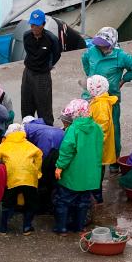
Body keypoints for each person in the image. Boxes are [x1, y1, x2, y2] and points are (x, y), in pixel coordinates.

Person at [80, 27, 132, 158]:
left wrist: (124, 80)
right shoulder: (91, 51)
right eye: (98, 43)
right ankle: (91, 155)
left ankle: (114, 160)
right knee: (88, 126)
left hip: (110, 97)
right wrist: (90, 77)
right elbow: (84, 60)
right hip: (90, 97)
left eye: (103, 44)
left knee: (112, 129)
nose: (100, 46)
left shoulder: (121, 56)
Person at [53, 99, 104, 234]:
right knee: (83, 201)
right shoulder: (97, 128)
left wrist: (59, 166)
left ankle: (61, 228)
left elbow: (66, 150)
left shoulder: (73, 129)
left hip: (73, 175)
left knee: (64, 201)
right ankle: (79, 227)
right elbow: (99, 150)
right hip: (90, 176)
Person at [0, 122, 42, 234]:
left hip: (11, 179)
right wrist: (37, 173)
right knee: (31, 203)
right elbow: (39, 155)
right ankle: (26, 227)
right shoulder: (30, 145)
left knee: (6, 204)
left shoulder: (3, 146)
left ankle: (3, 228)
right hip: (29, 178)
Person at [21, 9, 62, 124]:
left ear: (43, 25)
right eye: (32, 25)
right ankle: (27, 127)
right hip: (28, 72)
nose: (34, 28)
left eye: (37, 25)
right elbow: (28, 51)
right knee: (26, 103)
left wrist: (48, 65)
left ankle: (47, 129)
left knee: (44, 106)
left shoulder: (51, 39)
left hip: (42, 75)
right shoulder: (26, 36)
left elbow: (57, 54)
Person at [86, 74, 118, 202]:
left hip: (98, 144)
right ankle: (96, 193)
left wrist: (95, 142)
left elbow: (102, 126)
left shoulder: (100, 105)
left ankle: (96, 195)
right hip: (99, 143)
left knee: (97, 170)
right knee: (98, 169)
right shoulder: (100, 100)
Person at [23, 116, 65, 214]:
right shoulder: (40, 127)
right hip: (60, 147)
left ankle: (46, 206)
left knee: (45, 176)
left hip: (52, 147)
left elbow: (42, 157)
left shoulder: (29, 131)